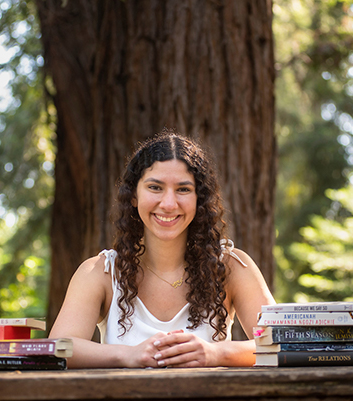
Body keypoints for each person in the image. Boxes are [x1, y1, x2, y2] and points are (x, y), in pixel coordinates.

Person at [49, 128, 275, 368]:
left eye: (183, 189)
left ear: (200, 199)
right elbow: (58, 348)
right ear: (133, 195)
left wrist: (216, 354)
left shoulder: (231, 266)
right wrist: (127, 355)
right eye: (155, 187)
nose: (168, 203)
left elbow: (286, 342)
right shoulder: (101, 272)